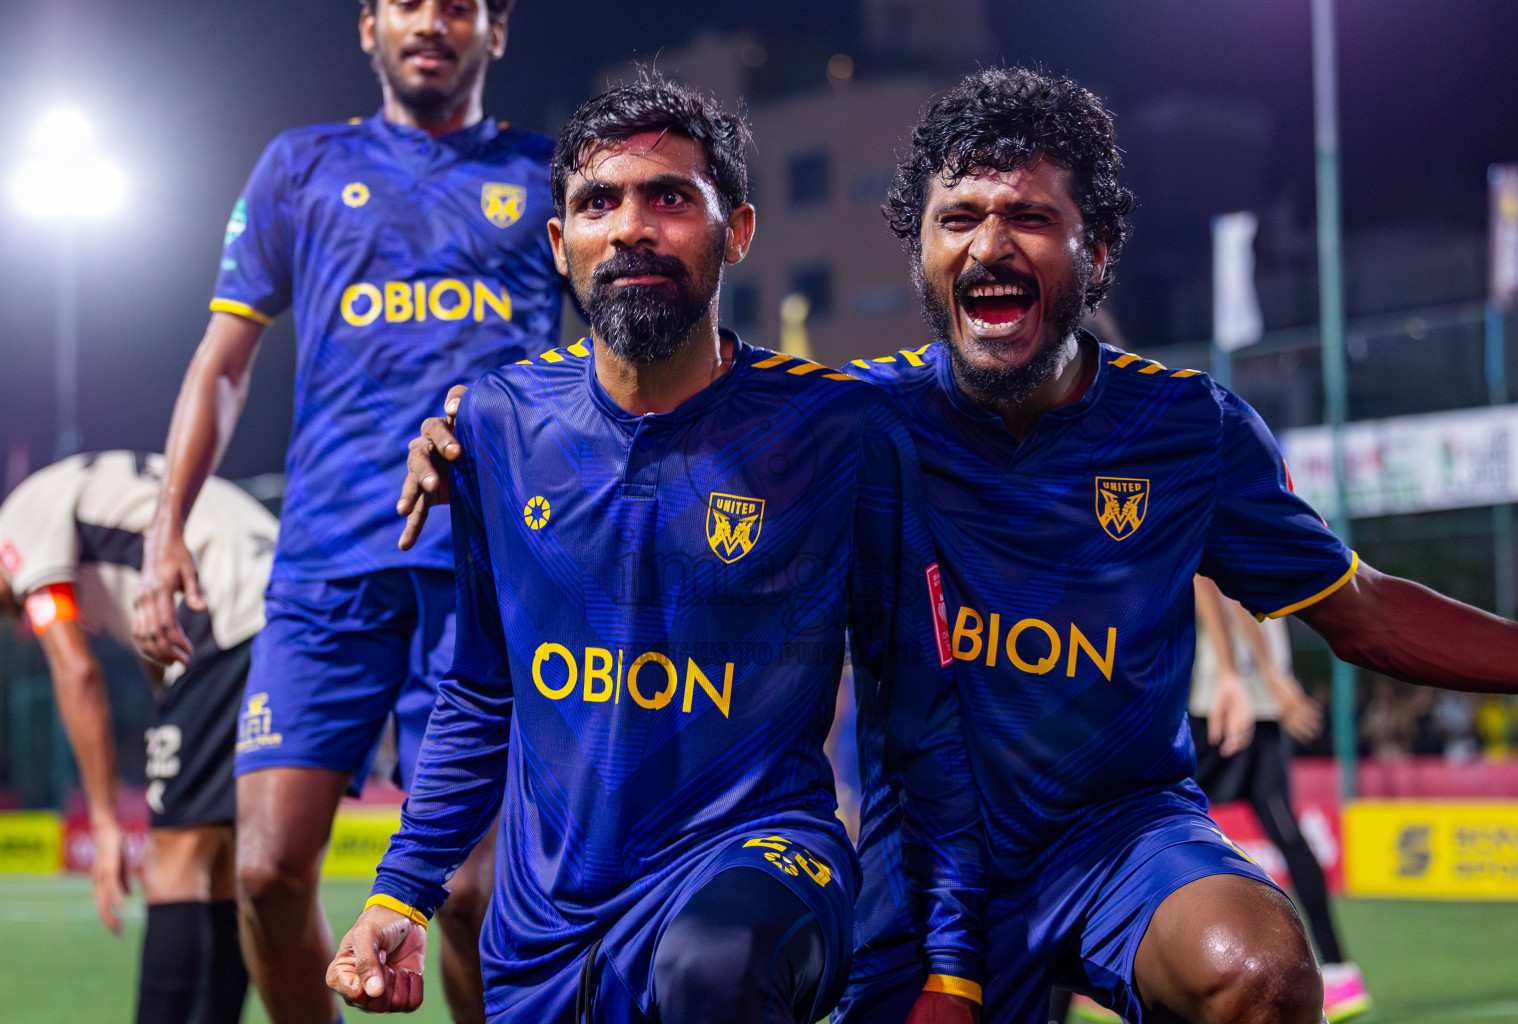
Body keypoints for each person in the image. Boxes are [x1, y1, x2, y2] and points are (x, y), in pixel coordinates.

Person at [401, 67, 1518, 1024]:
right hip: (916, 855)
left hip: (1119, 841)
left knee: (1265, 969)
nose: (993, 244)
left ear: (1098, 248)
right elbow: (661, 430)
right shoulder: (852, 425)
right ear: (924, 254)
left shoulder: (1190, 432)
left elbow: (1364, 607)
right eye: (959, 219)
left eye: (1033, 217)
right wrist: (466, 439)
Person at [326, 75, 986, 1024]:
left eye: (671, 197)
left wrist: (950, 964)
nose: (632, 226)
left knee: (712, 970)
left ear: (739, 231)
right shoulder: (501, 425)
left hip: (763, 861)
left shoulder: (840, 431)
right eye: (599, 201)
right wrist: (403, 892)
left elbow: (923, 713)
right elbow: (479, 689)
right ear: (560, 245)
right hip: (545, 935)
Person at [130, 1, 564, 1021]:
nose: (433, 22)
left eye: (460, 5)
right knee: (269, 875)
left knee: (472, 895)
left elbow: (623, 355)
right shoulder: (300, 167)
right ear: (367, 25)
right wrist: (165, 532)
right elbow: (223, 364)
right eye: (408, 2)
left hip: (489, 577)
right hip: (326, 569)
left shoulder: (548, 176)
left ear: (495, 32)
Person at [0, 451, 275, 1024]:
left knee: (173, 854)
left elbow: (76, 672)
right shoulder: (74, 499)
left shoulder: (17, 529)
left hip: (227, 610)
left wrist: (102, 822)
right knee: (226, 861)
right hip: (290, 603)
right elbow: (157, 646)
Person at [1189, 575, 1370, 1021]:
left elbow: (1219, 587)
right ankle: (1338, 966)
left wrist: (1260, 674)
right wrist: (1273, 676)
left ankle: (1090, 973)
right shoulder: (1258, 515)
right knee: (1284, 829)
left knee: (1146, 818)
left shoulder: (1206, 512)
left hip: (1224, 701)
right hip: (1251, 700)